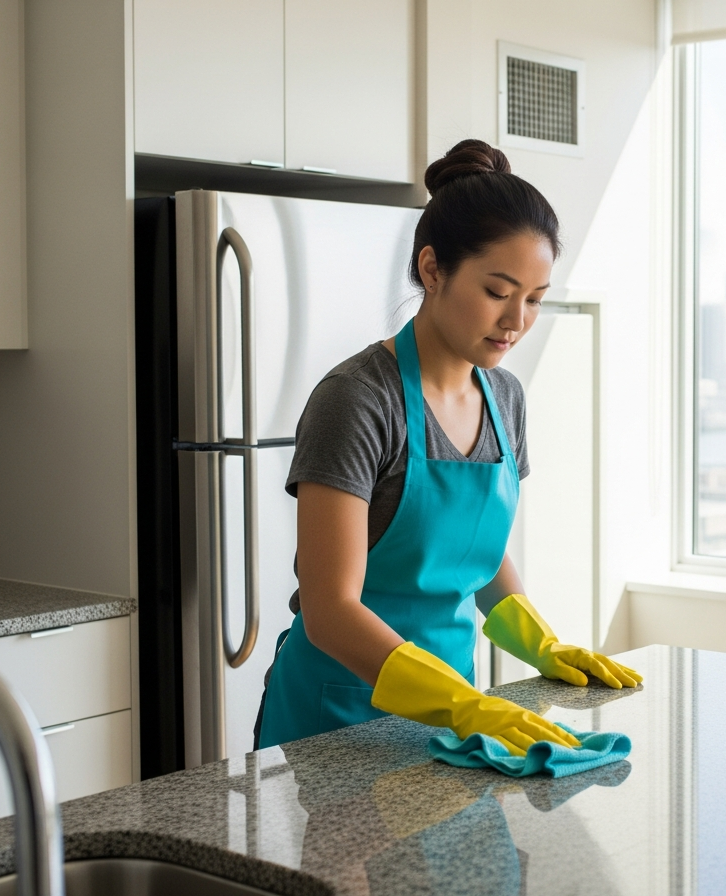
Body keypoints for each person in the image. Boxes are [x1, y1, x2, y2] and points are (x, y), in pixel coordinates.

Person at [257, 139, 641, 754]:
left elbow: (476, 557)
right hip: (337, 720)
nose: (516, 321)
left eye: (535, 300)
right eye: (498, 291)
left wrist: (542, 645)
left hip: (450, 716)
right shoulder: (357, 400)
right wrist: (464, 705)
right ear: (433, 270)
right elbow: (330, 611)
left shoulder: (505, 398)